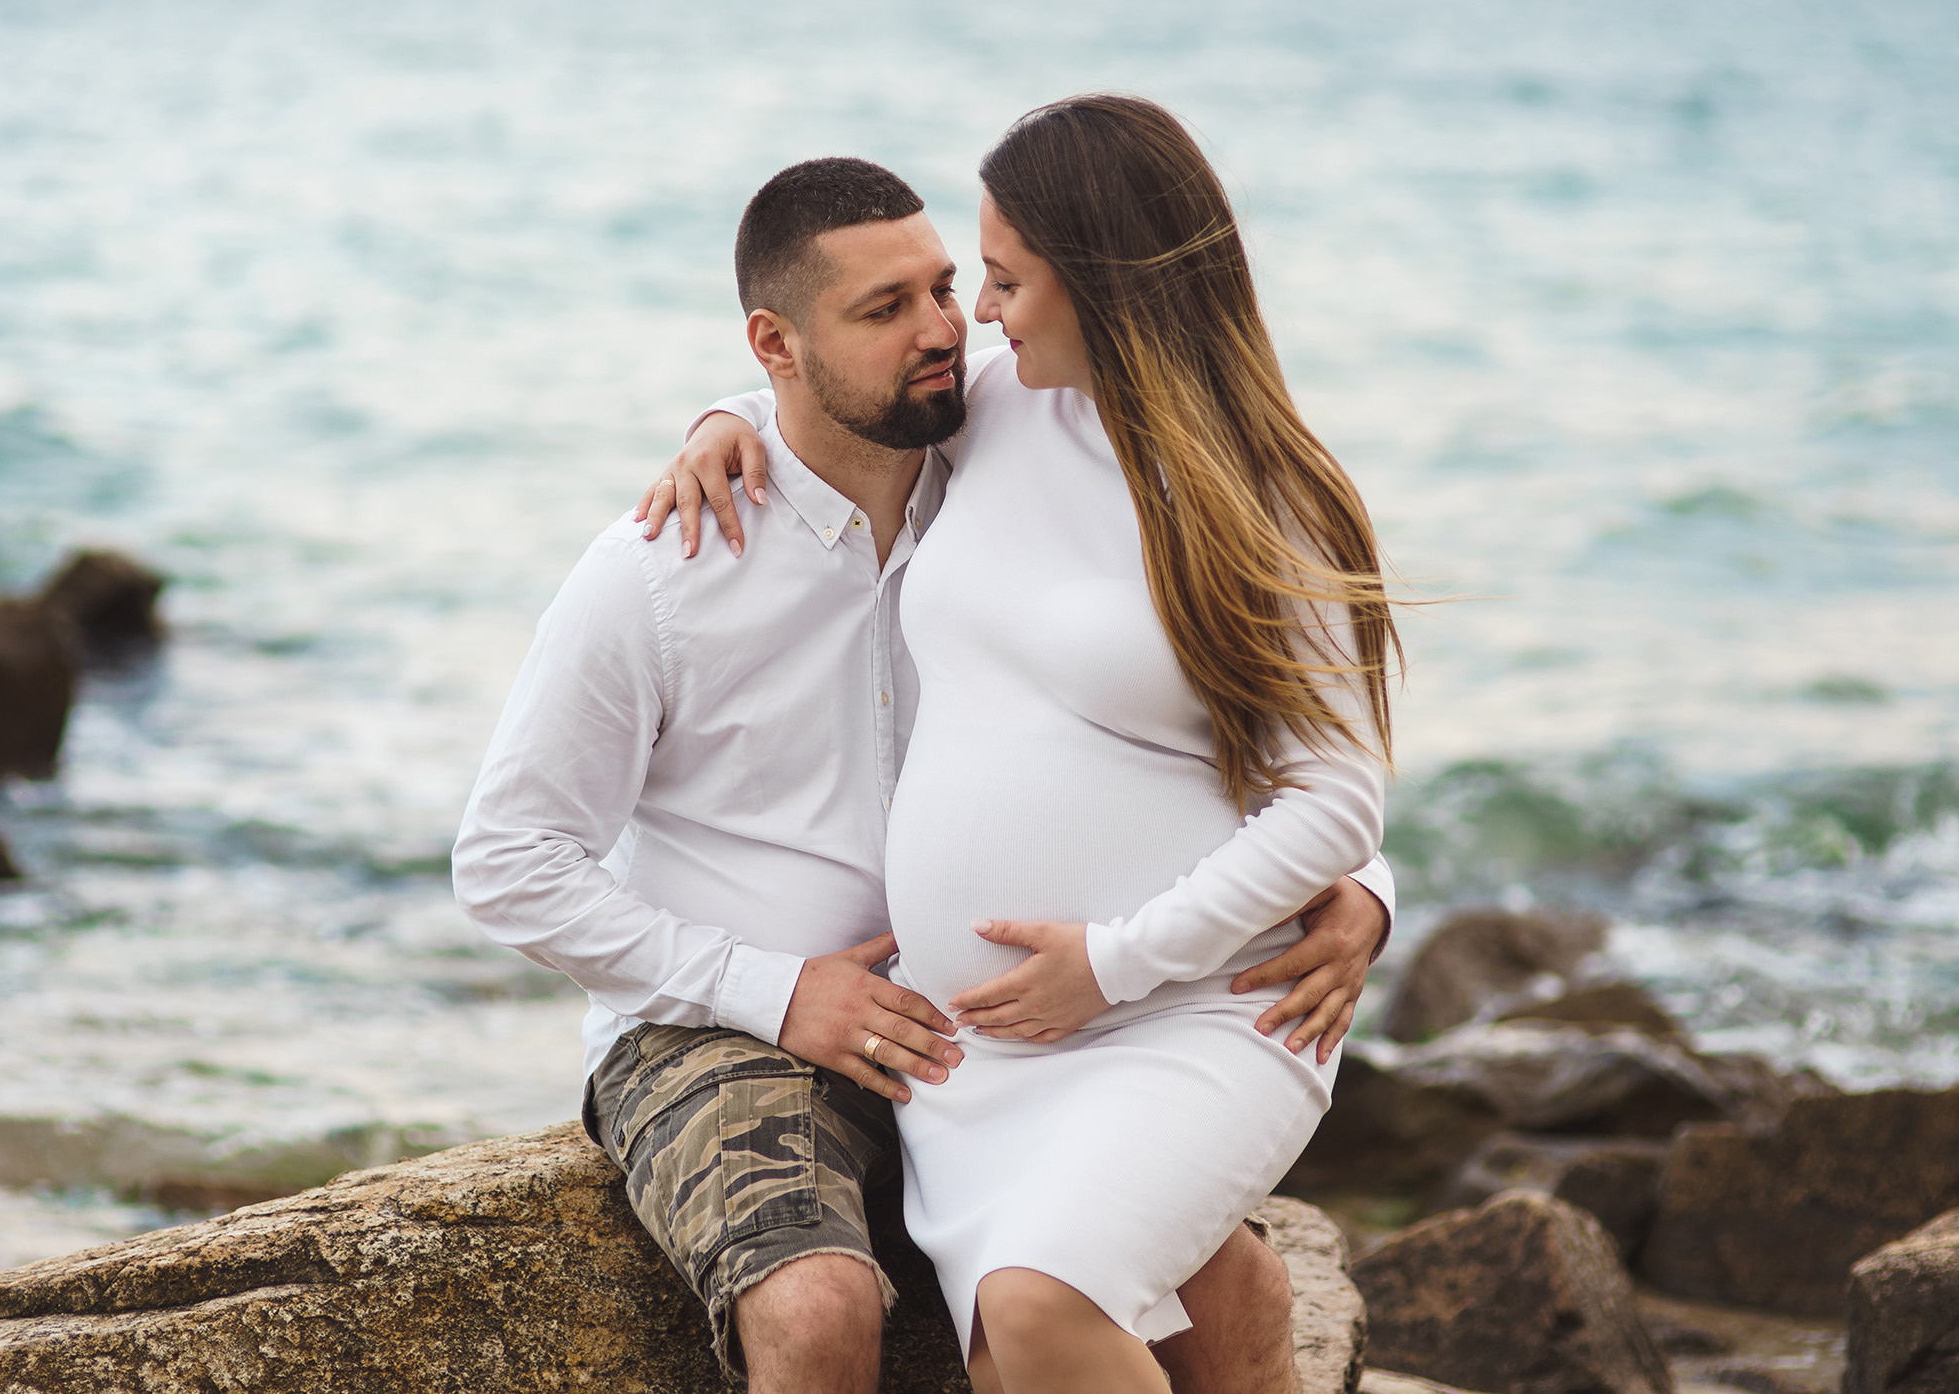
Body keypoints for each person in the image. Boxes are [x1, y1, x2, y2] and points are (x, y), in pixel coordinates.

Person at [453, 155, 1394, 1394]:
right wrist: (775, 988)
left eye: (949, 286)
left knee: (1237, 1291)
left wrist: (1361, 884)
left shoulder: (992, 435)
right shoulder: (661, 568)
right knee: (820, 1302)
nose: (947, 330)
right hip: (731, 1026)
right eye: (885, 310)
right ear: (776, 344)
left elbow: (1251, 697)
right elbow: (507, 862)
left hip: (984, 1028)